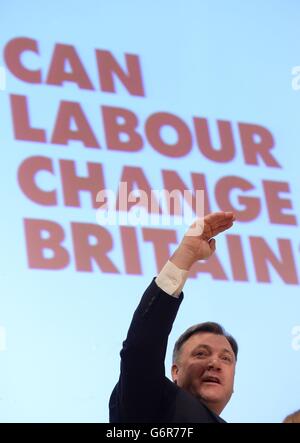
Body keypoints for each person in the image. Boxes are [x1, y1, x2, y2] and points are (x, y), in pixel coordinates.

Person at [109, 211, 237, 423]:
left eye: (226, 358)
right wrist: (186, 254)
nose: (215, 363)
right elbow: (141, 350)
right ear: (175, 372)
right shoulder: (152, 402)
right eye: (201, 354)